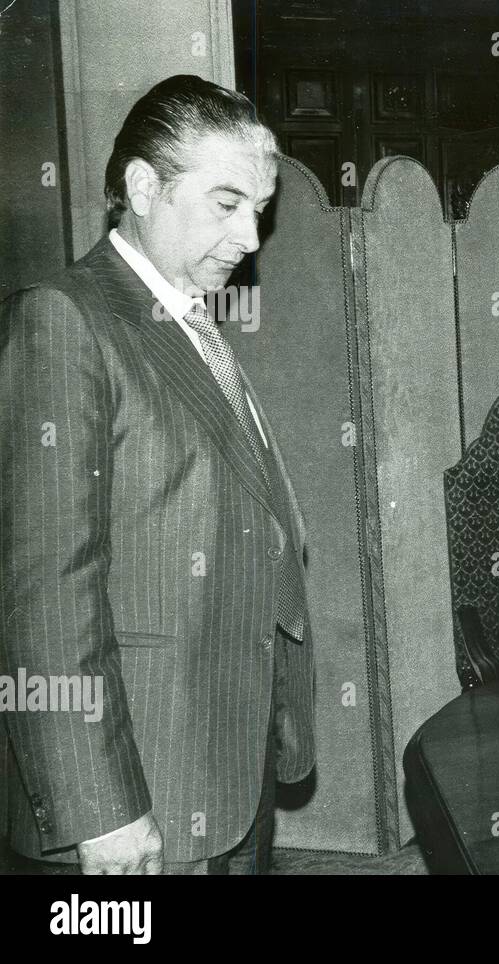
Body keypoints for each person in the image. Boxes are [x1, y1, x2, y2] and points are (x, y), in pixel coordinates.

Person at [0, 75, 315, 874]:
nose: (250, 236)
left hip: (225, 766)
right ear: (143, 187)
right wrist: (98, 809)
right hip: (141, 786)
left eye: (260, 209)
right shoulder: (64, 318)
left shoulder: (185, 320)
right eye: (225, 202)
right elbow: (46, 586)